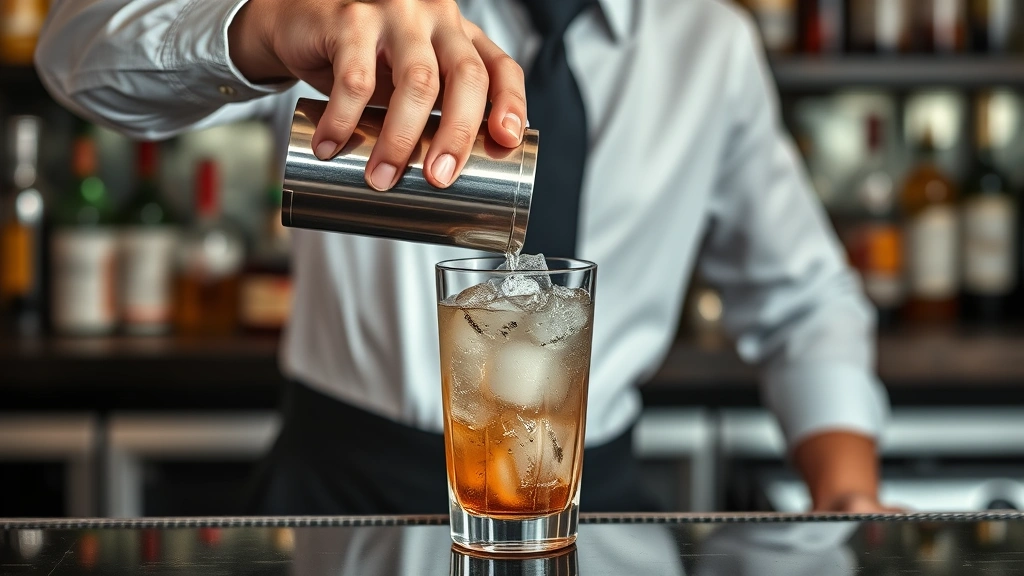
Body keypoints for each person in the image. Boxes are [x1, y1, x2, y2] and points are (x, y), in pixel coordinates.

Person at [35, 0, 892, 514]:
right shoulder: (370, 13)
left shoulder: (710, 45)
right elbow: (76, 54)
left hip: (592, 503)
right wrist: (266, 26)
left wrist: (847, 495)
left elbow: (807, 302)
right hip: (344, 489)